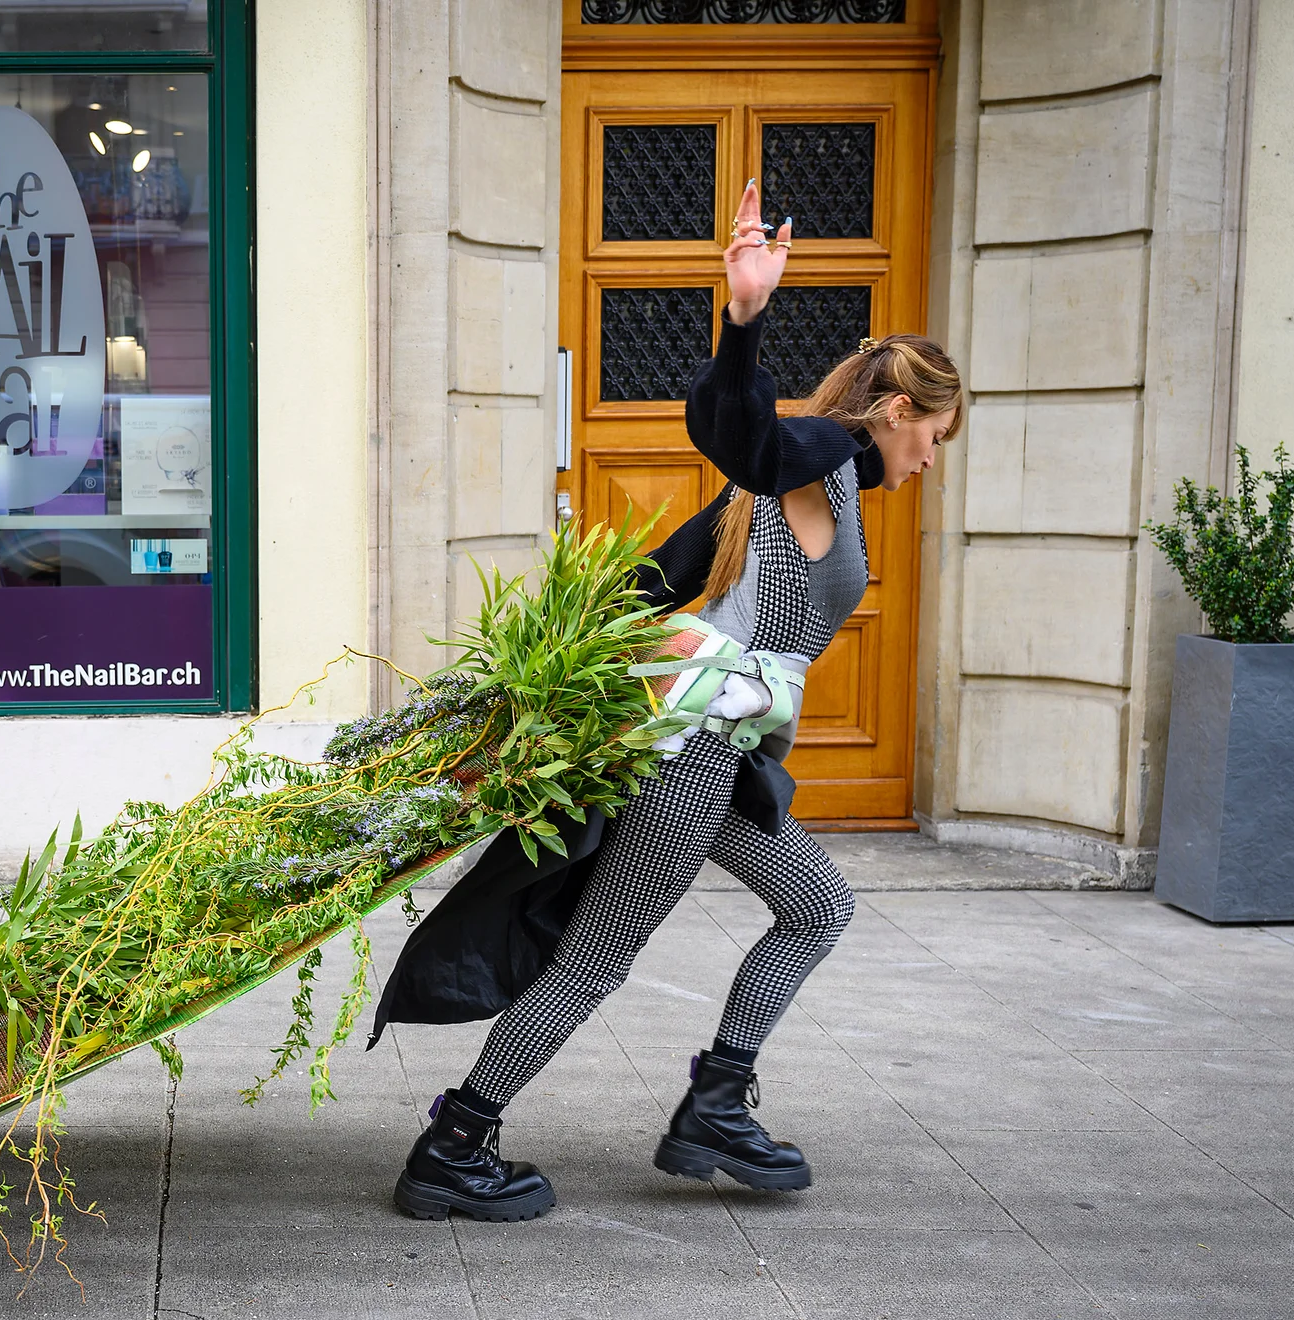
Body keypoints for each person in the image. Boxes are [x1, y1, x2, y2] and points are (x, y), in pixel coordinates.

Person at [380, 179, 962, 1222]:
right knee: (594, 958)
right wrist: (741, 317)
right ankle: (455, 1140)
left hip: (715, 756)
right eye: (935, 436)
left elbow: (649, 580)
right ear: (896, 412)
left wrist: (558, 679)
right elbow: (741, 434)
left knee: (817, 905)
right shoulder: (819, 459)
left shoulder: (798, 491)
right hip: (691, 755)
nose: (930, 459)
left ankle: (714, 1099)